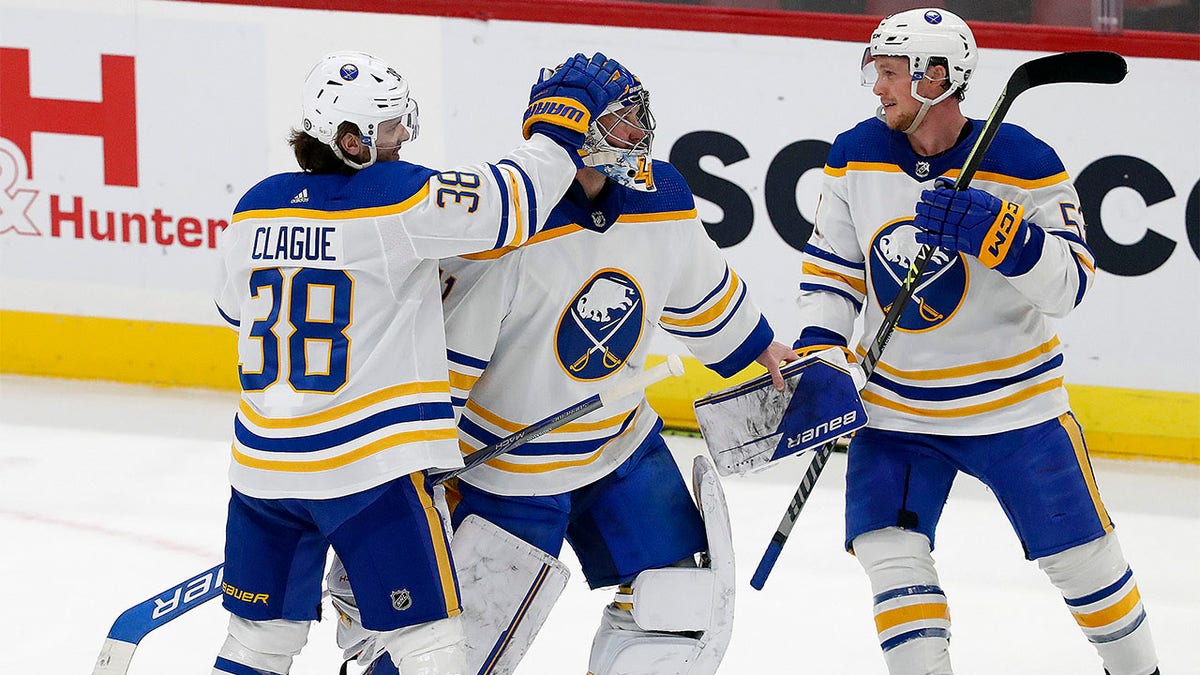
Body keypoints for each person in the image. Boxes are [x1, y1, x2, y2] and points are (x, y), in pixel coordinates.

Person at [333, 63, 796, 675]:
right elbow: (442, 367)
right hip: (509, 469)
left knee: (679, 609)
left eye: (638, 114)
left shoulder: (662, 198)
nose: (639, 130)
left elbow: (701, 288)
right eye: (620, 119)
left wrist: (768, 354)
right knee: (454, 657)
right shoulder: (500, 227)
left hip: (621, 447)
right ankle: (373, 640)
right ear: (577, 136)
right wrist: (413, 470)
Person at [209, 49, 633, 675]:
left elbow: (232, 308)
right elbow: (511, 202)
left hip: (262, 475)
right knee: (430, 646)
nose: (402, 137)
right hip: (368, 476)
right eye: (388, 128)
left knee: (258, 644)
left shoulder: (254, 207)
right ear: (350, 140)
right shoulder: (392, 197)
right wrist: (559, 127)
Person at [791, 8, 1160, 675]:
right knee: (887, 548)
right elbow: (831, 273)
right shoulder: (854, 153)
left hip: (1017, 408)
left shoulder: (1023, 161)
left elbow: (1071, 287)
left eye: (892, 73)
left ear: (937, 78)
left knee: (1082, 558)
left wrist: (1010, 241)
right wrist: (821, 353)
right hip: (898, 411)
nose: (878, 87)